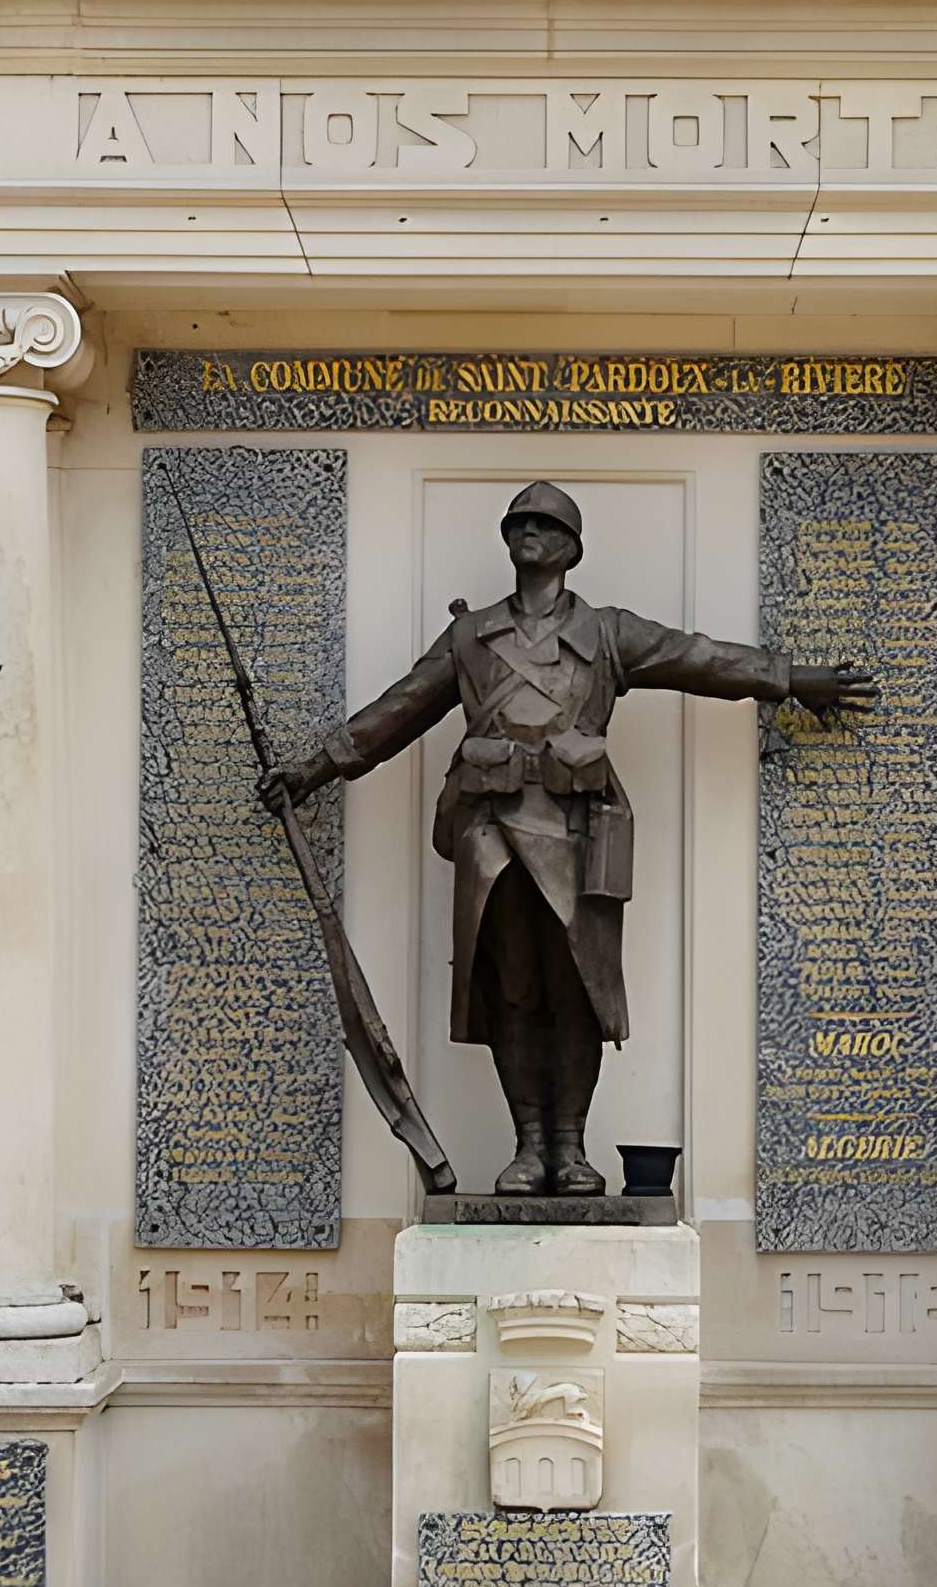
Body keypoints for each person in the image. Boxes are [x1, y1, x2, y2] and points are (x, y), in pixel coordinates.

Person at [262, 481, 873, 1195]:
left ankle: (571, 1149)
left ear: (571, 548)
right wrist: (310, 770)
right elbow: (397, 711)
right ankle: (529, 1148)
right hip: (492, 837)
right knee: (514, 990)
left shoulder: (608, 632)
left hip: (579, 833)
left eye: (545, 524)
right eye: (519, 522)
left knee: (578, 991)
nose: (529, 531)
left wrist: (790, 678)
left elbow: (698, 658)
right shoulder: (470, 637)